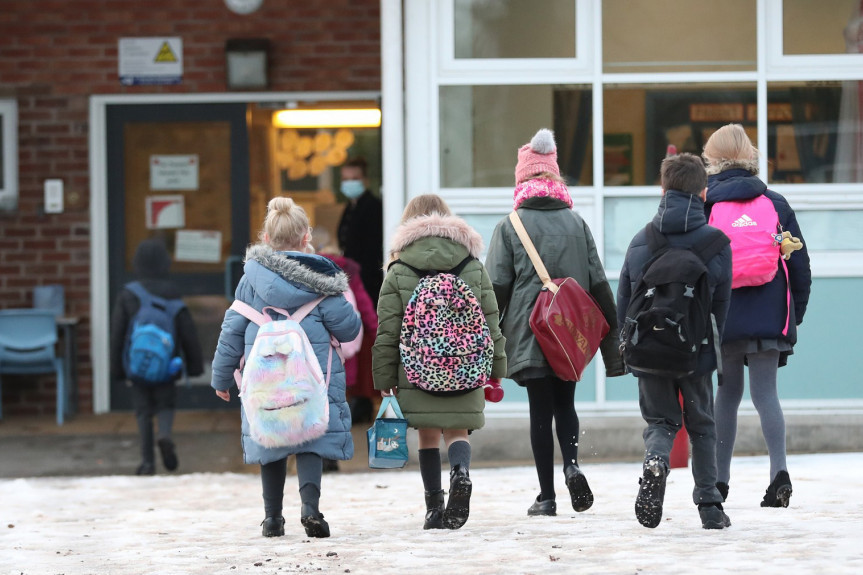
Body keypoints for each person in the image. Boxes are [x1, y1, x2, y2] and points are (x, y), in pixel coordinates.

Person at [484, 128, 624, 518]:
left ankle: (546, 497)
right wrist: (612, 350)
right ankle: (572, 465)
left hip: (532, 334)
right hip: (569, 336)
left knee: (539, 412)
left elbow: (495, 288)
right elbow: (598, 284)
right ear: (555, 178)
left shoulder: (509, 226)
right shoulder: (577, 224)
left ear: (523, 179)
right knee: (566, 405)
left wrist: (487, 343)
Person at [210, 197, 361, 539]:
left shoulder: (250, 282)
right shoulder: (324, 281)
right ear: (306, 236)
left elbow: (231, 330)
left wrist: (221, 377)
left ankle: (273, 518)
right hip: (313, 380)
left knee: (271, 435)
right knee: (310, 436)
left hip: (266, 383)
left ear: (265, 237)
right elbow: (350, 330)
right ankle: (311, 509)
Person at [372, 194, 507, 530]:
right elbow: (491, 323)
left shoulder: (399, 270)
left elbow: (387, 331)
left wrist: (384, 377)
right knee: (458, 430)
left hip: (417, 370)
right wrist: (496, 369)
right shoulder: (472, 265)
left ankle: (434, 509)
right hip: (467, 366)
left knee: (428, 435)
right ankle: (461, 472)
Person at [616, 152, 733, 530]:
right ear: (703, 191)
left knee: (661, 422)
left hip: (649, 350)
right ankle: (710, 506)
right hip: (694, 352)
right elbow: (721, 305)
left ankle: (655, 461)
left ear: (662, 189)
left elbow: (624, 298)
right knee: (702, 424)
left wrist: (627, 347)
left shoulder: (641, 240)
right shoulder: (717, 243)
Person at [702, 124, 811, 508]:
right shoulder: (775, 202)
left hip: (724, 315)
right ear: (750, 155)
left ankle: (719, 482)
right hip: (768, 313)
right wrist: (794, 311)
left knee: (726, 396)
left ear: (711, 159)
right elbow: (800, 265)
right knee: (766, 396)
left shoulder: (706, 203)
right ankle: (779, 475)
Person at [110, 237, 204, 476]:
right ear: (165, 264)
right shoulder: (171, 293)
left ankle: (147, 462)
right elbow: (187, 331)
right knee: (165, 404)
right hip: (166, 365)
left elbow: (118, 333)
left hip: (137, 366)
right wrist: (194, 366)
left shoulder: (129, 294)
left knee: (142, 411)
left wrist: (117, 370)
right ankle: (164, 434)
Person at [336, 156, 384, 423]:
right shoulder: (350, 207)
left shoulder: (372, 208)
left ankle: (365, 400)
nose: (349, 183)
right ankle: (360, 399)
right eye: (345, 179)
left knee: (366, 345)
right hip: (354, 286)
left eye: (353, 178)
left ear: (364, 180)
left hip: (368, 285)